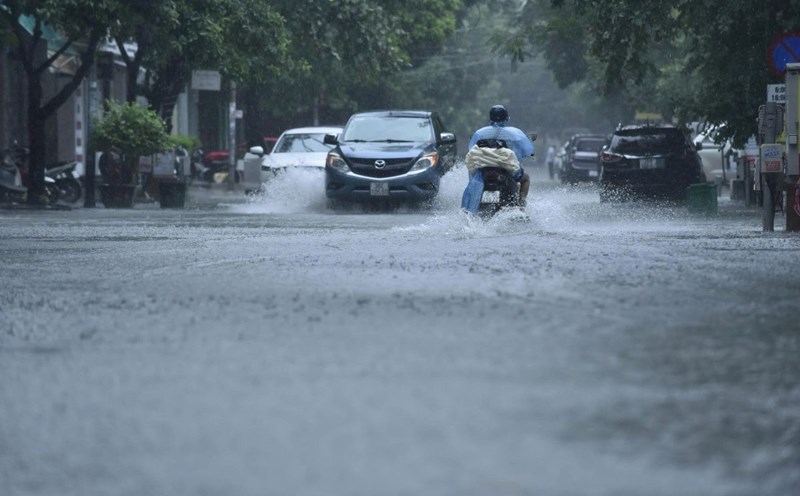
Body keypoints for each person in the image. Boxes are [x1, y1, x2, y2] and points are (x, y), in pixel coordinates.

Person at [461, 105, 534, 212]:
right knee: (526, 178)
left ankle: (473, 206)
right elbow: (528, 150)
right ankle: (521, 207)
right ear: (507, 117)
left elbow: (471, 149)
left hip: (484, 172)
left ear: (490, 118)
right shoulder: (515, 133)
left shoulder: (479, 133)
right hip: (505, 170)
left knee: (472, 180)